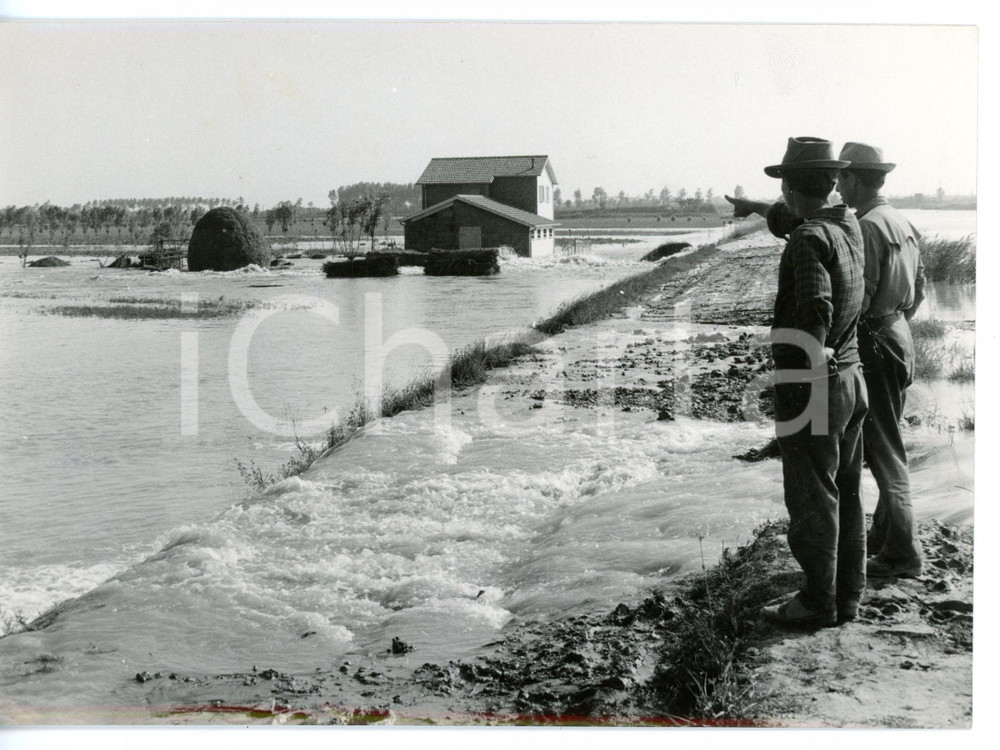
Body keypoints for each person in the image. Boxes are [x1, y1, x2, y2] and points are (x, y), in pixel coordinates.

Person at [727, 142, 925, 578]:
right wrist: (758, 207)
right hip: (885, 340)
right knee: (858, 470)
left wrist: (821, 351)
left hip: (851, 352)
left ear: (851, 179)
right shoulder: (864, 223)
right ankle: (869, 563)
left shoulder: (841, 229)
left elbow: (822, 302)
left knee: (842, 473)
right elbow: (919, 290)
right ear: (836, 179)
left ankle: (893, 554)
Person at [752, 137, 869, 627]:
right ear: (832, 182)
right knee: (846, 487)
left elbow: (817, 303)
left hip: (815, 381)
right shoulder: (848, 226)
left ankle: (818, 603)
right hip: (852, 375)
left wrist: (811, 352)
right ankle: (848, 596)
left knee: (809, 494)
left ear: (789, 187)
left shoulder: (806, 239)